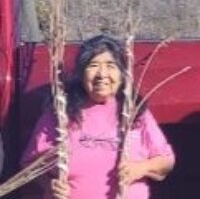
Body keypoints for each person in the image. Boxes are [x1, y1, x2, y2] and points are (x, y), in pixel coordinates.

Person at [21, 34, 175, 199]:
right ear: (81, 73)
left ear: (122, 74)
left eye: (111, 66)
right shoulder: (61, 112)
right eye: (93, 65)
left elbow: (166, 161)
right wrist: (50, 186)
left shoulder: (134, 111)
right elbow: (30, 165)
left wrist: (141, 168)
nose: (102, 74)